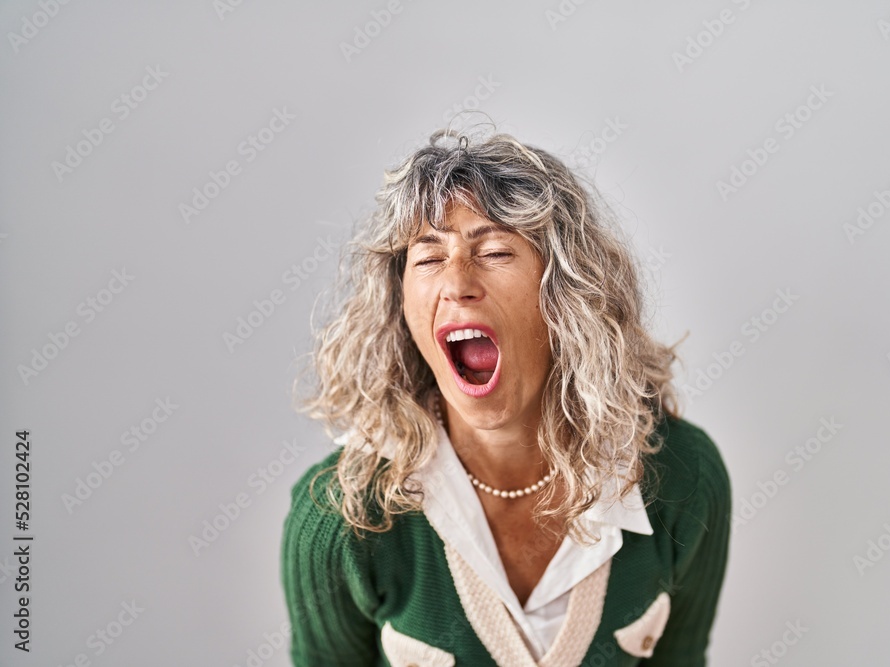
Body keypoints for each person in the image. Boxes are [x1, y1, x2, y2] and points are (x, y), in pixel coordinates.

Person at [281, 125, 732, 666]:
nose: (457, 284)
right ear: (400, 304)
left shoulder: (684, 478)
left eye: (494, 251)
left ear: (567, 294)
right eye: (428, 259)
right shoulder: (342, 518)